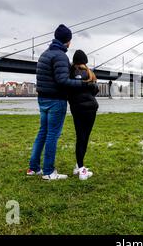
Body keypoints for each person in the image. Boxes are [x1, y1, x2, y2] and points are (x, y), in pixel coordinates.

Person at [27, 24, 96, 181]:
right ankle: (49, 172)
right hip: (55, 100)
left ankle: (34, 168)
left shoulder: (44, 54)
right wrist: (84, 84)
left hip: (42, 99)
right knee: (52, 134)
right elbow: (62, 80)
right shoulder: (60, 56)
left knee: (42, 132)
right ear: (68, 41)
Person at [68, 50, 99, 180]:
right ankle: (81, 169)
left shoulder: (69, 73)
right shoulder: (90, 73)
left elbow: (67, 90)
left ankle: (79, 167)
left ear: (74, 61)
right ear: (85, 61)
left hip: (77, 109)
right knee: (85, 137)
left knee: (80, 136)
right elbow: (95, 90)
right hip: (91, 108)